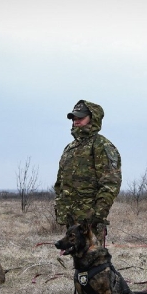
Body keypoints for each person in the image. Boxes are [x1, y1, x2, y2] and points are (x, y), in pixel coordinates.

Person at [54, 100, 122, 245]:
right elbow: (60, 182)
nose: (76, 121)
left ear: (93, 118)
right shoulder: (70, 148)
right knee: (78, 259)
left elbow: (110, 184)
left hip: (90, 221)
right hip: (71, 218)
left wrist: (97, 215)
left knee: (94, 260)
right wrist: (60, 206)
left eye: (80, 118)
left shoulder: (102, 146)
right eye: (74, 118)